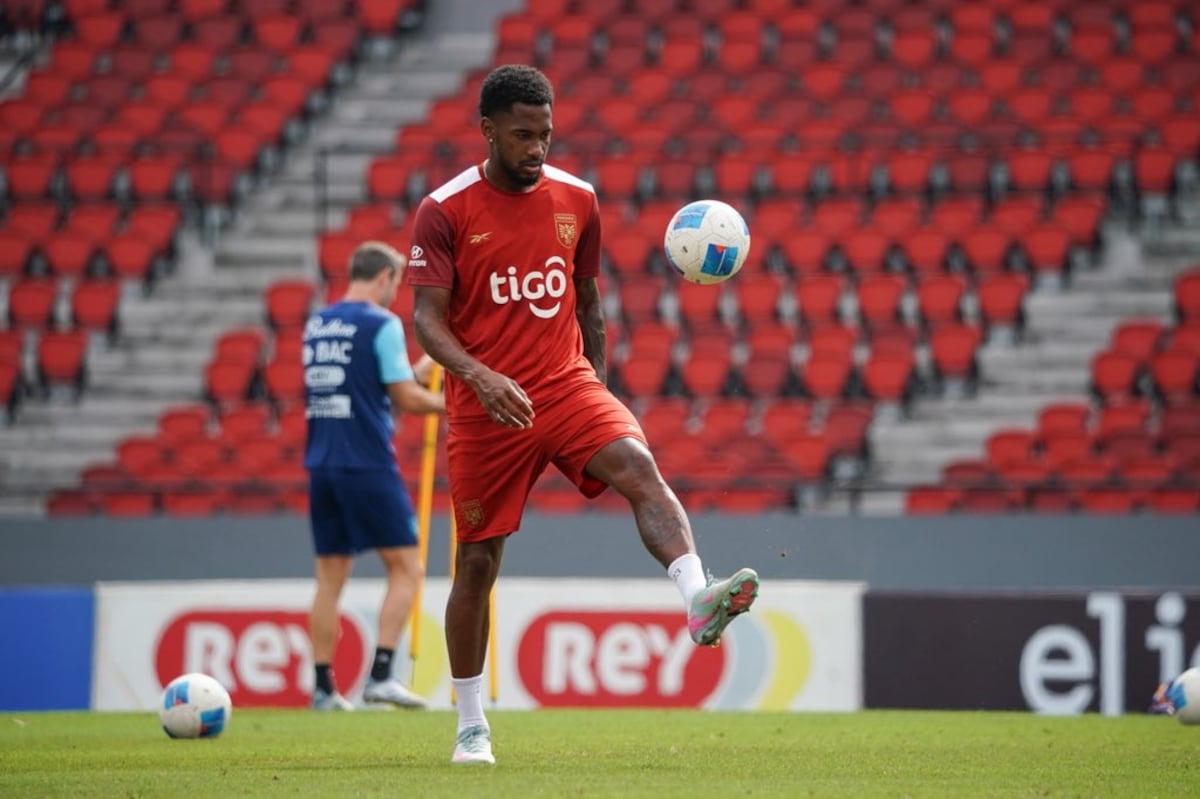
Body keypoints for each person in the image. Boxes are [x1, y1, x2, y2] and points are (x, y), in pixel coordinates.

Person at [408, 64, 759, 765]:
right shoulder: (444, 210)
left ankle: (698, 596)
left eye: (545, 133)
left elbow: (588, 300)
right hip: (487, 406)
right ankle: (471, 724)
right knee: (476, 563)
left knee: (638, 464)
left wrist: (592, 388)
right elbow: (426, 318)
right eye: (522, 135)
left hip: (565, 384)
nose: (537, 147)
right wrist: (479, 375)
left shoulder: (578, 198)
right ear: (488, 130)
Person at [303, 240, 445, 711]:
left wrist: (430, 364)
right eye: (397, 282)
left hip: (322, 462)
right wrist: (459, 404)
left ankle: (323, 688)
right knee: (407, 568)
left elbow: (377, 385)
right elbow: (406, 398)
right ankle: (381, 675)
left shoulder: (318, 323)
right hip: (367, 461)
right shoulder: (381, 323)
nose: (395, 292)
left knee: (330, 578)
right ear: (384, 276)